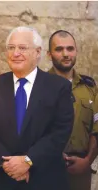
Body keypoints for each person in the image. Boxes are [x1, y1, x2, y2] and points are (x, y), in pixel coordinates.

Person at [0, 26, 74, 190]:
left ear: (37, 52)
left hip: (45, 178)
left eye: (22, 48)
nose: (15, 53)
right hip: (3, 178)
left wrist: (29, 160)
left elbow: (61, 130)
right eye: (11, 48)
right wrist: (7, 164)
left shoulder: (58, 87)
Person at [47, 30, 98, 190]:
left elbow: (96, 127)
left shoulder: (90, 87)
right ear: (49, 54)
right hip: (46, 168)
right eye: (59, 49)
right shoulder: (40, 85)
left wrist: (88, 160)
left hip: (80, 170)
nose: (66, 54)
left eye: (70, 49)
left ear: (76, 51)